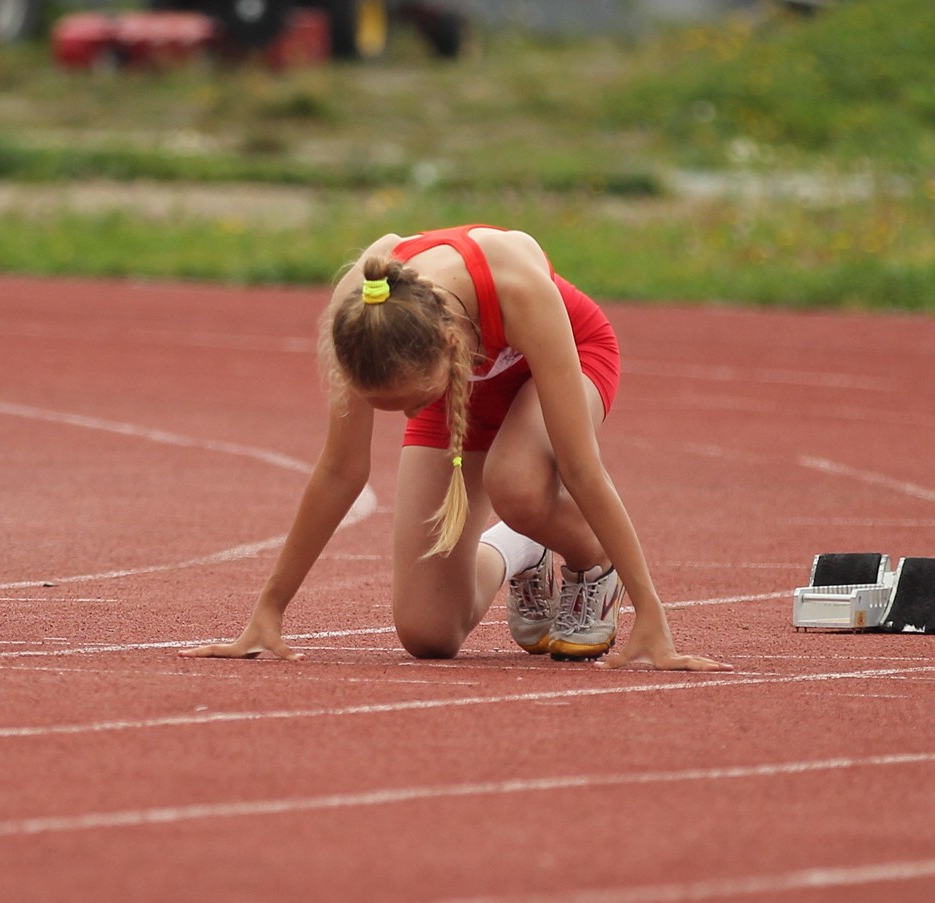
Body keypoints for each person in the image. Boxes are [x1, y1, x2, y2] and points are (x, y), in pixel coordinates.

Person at [182, 225, 727, 670]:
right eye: (391, 409)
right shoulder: (363, 323)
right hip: (456, 386)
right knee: (428, 633)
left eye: (413, 401)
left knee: (514, 482)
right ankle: (522, 548)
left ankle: (590, 560)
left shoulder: (514, 281)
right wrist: (268, 612)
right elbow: (339, 472)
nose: (412, 419)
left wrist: (652, 619)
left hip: (563, 361)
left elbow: (583, 469)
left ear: (452, 347)